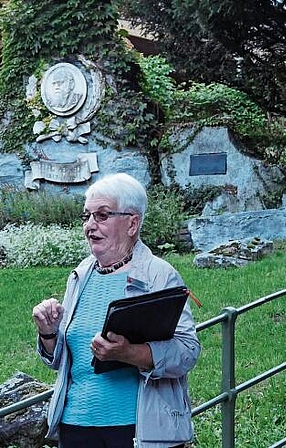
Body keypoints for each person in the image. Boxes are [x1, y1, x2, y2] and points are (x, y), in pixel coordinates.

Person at [32, 173, 201, 448]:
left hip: (138, 431)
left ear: (132, 223)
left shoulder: (159, 275)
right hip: (75, 426)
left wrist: (129, 353)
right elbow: (62, 359)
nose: (89, 226)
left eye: (102, 216)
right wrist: (48, 334)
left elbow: (187, 352)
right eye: (86, 216)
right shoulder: (80, 274)